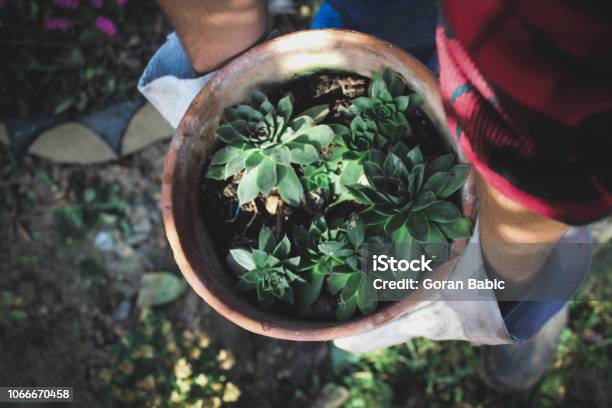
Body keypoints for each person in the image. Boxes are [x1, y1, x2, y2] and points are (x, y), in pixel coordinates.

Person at [139, 0, 611, 393]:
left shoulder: (560, 32)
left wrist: (492, 287)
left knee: (533, 257)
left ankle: (534, 297)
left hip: (546, 97)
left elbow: (546, 155)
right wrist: (228, 76)